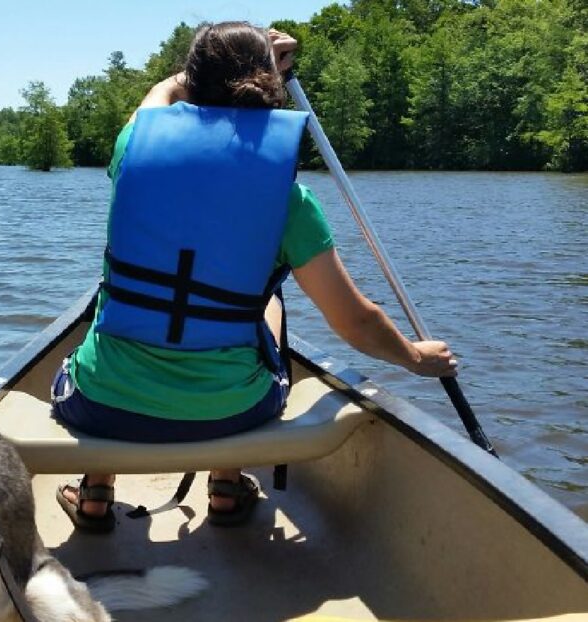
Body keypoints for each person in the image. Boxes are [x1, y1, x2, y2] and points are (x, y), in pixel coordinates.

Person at [52, 22, 457, 531]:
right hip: (233, 411)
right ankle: (226, 484)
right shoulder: (289, 202)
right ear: (268, 87)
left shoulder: (133, 150)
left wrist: (210, 68)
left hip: (101, 406)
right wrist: (415, 357)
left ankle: (94, 492)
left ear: (191, 81)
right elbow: (354, 321)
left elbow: (159, 95)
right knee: (268, 297)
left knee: (111, 303)